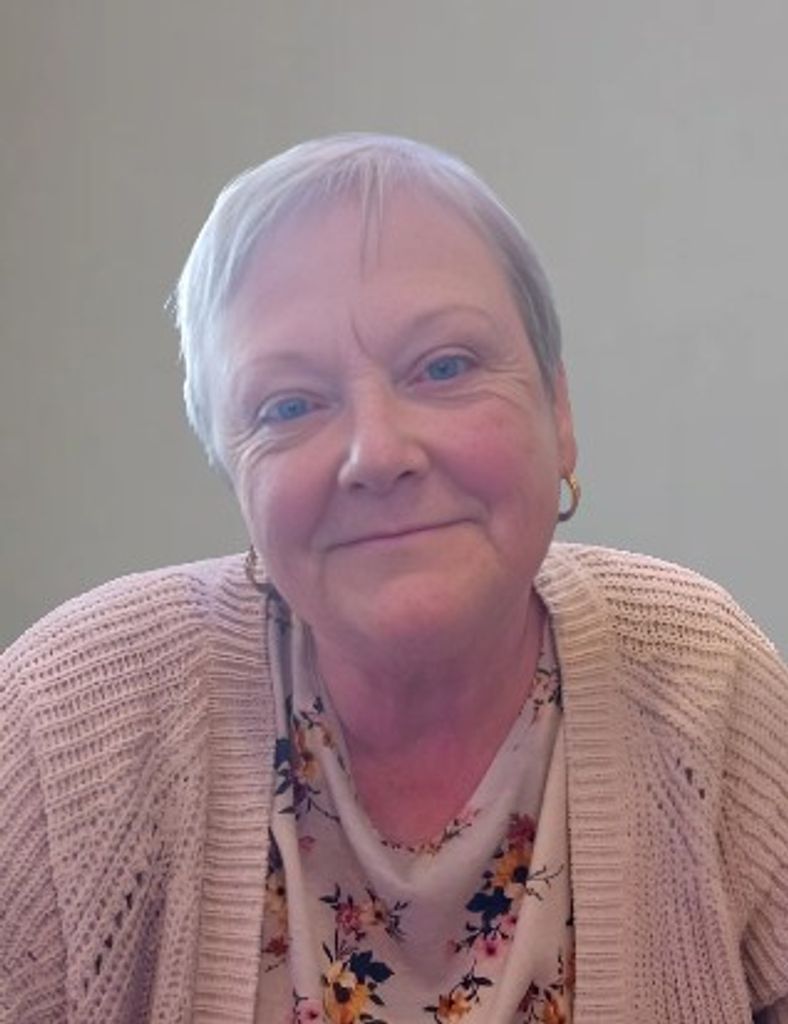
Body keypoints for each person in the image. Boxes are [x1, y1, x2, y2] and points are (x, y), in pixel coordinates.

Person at [1, 134, 786, 1024]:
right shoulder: (66, 725)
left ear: (559, 413)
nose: (377, 453)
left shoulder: (700, 681)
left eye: (444, 367)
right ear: (231, 470)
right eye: (289, 404)